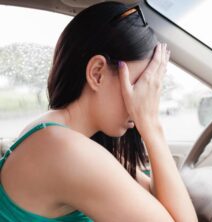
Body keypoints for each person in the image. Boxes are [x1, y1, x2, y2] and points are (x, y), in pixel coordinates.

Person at [0, 2, 198, 222]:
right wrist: (150, 124)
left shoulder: (68, 136)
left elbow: (151, 196)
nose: (143, 100)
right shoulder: (63, 148)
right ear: (97, 74)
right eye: (139, 84)